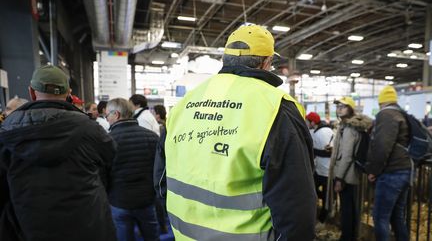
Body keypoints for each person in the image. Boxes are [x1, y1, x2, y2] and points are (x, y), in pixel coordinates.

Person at [155, 24, 316, 240]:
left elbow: (160, 177)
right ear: (267, 62)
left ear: (226, 59)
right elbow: (295, 202)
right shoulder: (275, 107)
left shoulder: (185, 103)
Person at [0, 65, 117, 241]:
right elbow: (111, 164)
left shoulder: (6, 131)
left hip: (29, 226)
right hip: (87, 223)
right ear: (69, 93)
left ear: (32, 92)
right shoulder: (90, 129)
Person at [106, 98, 160, 241]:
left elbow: (102, 174)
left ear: (116, 114)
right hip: (146, 200)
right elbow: (159, 171)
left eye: (107, 116)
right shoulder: (152, 137)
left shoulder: (107, 140)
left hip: (119, 201)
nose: (107, 119)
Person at [365, 86, 411, 241]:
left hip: (391, 172)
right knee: (397, 217)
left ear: (380, 102)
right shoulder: (401, 114)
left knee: (380, 217)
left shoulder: (386, 115)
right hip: (404, 169)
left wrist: (374, 170)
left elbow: (382, 146)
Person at [327, 96, 372, 241]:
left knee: (347, 208)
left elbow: (347, 155)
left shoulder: (349, 128)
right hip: (350, 174)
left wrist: (339, 178)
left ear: (350, 109)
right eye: (338, 106)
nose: (339, 108)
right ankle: (350, 235)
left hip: (346, 175)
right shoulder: (349, 126)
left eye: (343, 106)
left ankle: (347, 237)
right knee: (350, 207)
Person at [306, 112, 334, 223]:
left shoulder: (321, 133)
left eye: (307, 121)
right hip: (321, 170)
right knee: (323, 195)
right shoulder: (321, 131)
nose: (306, 123)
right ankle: (322, 216)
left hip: (326, 171)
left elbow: (328, 152)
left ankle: (322, 219)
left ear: (312, 122)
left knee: (326, 197)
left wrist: (313, 151)